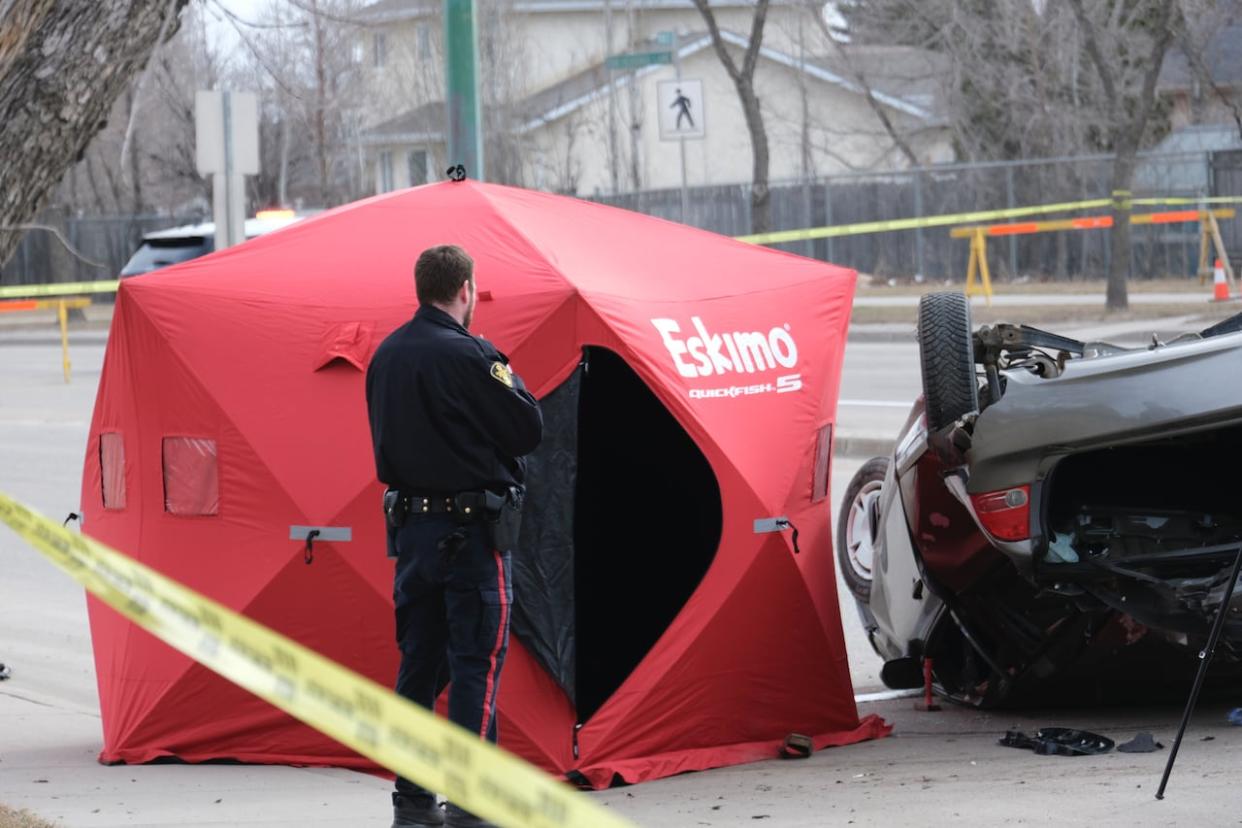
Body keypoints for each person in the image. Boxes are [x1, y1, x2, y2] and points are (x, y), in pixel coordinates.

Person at [365, 245, 543, 828]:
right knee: (476, 664)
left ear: (422, 288)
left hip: (414, 535)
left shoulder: (386, 356)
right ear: (465, 288)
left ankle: (412, 802)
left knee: (418, 665)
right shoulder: (472, 355)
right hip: (470, 536)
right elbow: (526, 428)